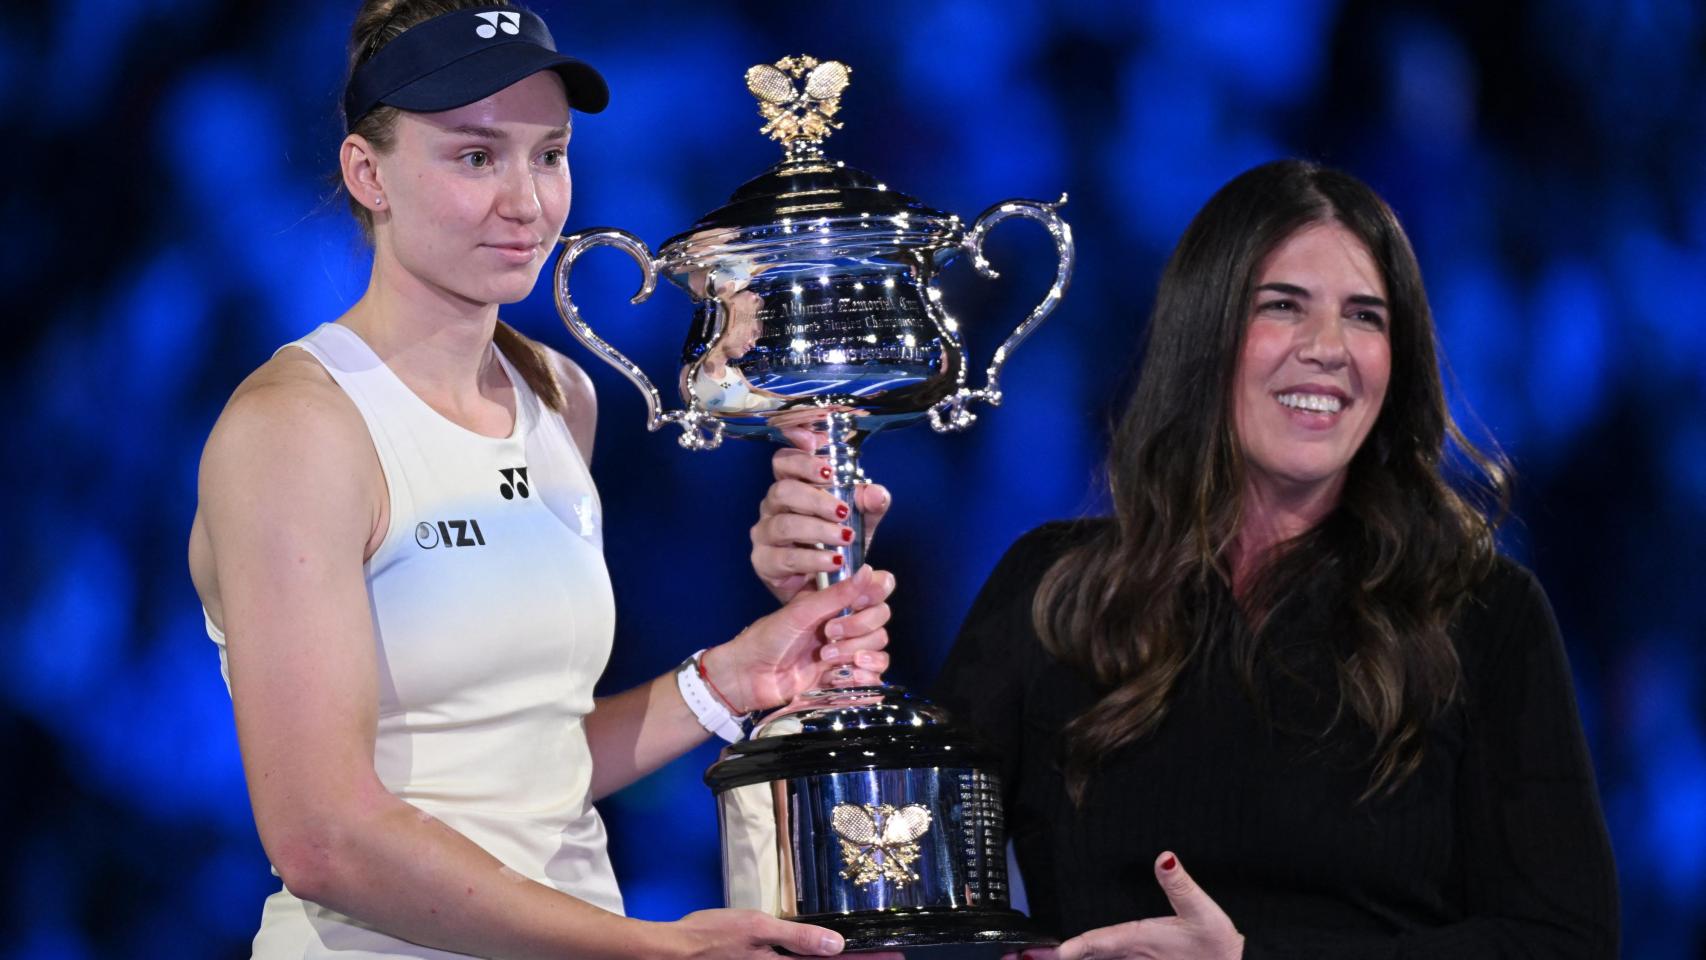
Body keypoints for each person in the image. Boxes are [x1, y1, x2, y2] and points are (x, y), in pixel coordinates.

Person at [759, 159, 1619, 957]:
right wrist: (819, 641)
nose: (1328, 346)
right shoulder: (1054, 593)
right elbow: (903, 887)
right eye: (1280, 304)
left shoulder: (1480, 613)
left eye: (1365, 315)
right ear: (1204, 335)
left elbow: (1562, 938)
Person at [186, 2, 896, 957]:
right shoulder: (298, 427)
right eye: (476, 157)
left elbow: (528, 766)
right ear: (369, 172)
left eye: (549, 154)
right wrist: (655, 946)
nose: (526, 201)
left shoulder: (558, 394)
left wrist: (734, 678)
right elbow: (324, 839)